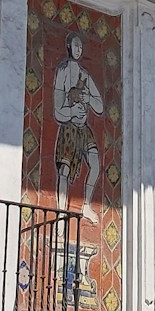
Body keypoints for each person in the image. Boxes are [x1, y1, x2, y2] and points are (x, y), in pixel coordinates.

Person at [52, 31, 104, 220]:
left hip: (84, 130)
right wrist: (72, 111)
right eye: (75, 45)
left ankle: (86, 206)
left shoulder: (85, 75)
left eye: (80, 46)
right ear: (68, 47)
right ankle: (60, 213)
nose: (78, 49)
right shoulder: (63, 72)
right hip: (68, 128)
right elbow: (58, 110)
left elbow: (100, 106)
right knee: (64, 171)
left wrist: (88, 98)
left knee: (95, 165)